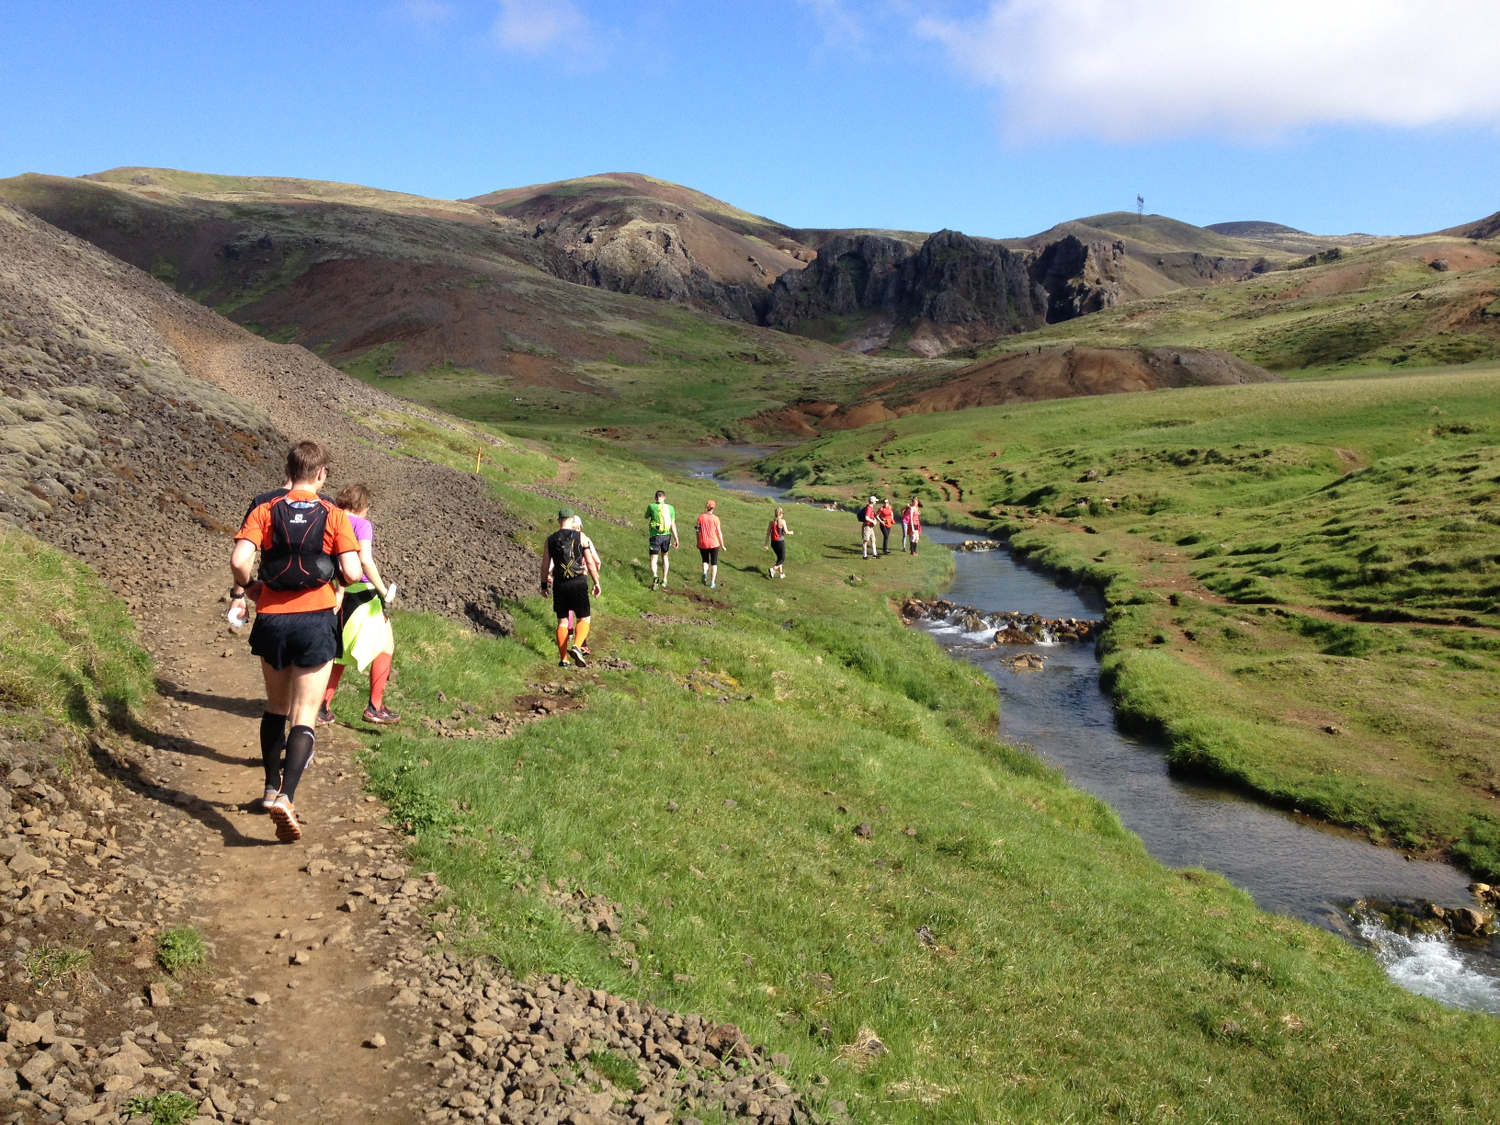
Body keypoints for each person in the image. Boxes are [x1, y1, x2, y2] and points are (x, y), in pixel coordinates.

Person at [231, 441, 361, 842]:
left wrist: (250, 588)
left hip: (271, 619)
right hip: (315, 621)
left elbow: (239, 561)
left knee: (275, 707)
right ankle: (288, 796)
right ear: (321, 475)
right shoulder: (334, 515)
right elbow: (353, 573)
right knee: (304, 712)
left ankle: (270, 790)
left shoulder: (265, 510)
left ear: (288, 470)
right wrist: (338, 581)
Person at [318, 482, 399, 727]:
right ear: (362, 505)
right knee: (386, 645)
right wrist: (384, 591)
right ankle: (375, 707)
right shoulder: (362, 524)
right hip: (362, 591)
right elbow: (365, 560)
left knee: (337, 652)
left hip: (334, 588)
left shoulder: (328, 518)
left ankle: (321, 707)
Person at [541, 508, 602, 667]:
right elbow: (590, 563)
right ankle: (576, 645)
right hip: (579, 581)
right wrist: (596, 582)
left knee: (562, 622)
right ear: (572, 519)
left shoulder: (550, 539)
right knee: (584, 617)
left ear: (559, 520)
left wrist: (543, 585)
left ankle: (563, 660)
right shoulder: (581, 536)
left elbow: (545, 566)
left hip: (560, 584)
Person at [645, 490, 679, 590]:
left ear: (656, 498)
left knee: (653, 558)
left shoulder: (652, 506)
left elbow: (646, 516)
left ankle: (655, 576)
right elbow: (673, 525)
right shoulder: (671, 508)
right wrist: (676, 538)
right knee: (665, 556)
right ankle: (665, 579)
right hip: (666, 536)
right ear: (664, 497)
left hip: (655, 536)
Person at [695, 499, 725, 588]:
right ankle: (712, 582)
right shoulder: (716, 519)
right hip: (714, 543)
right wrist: (722, 545)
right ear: (713, 508)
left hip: (703, 542)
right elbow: (719, 532)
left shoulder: (701, 517)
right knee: (714, 563)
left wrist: (698, 541)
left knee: (705, 560)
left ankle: (704, 572)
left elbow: (697, 531)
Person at [763, 506, 792, 578]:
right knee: (782, 558)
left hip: (773, 543)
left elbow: (768, 534)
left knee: (779, 557)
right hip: (780, 542)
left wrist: (766, 544)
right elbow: (786, 532)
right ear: (781, 513)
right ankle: (773, 569)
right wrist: (791, 532)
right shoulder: (782, 521)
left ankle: (781, 573)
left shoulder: (771, 522)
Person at [860, 495, 879, 559]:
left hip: (870, 526)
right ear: (873, 501)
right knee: (866, 540)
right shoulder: (869, 508)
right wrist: (873, 521)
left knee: (873, 539)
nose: (876, 502)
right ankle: (864, 555)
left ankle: (875, 553)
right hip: (867, 526)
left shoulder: (871, 508)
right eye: (875, 501)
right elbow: (866, 517)